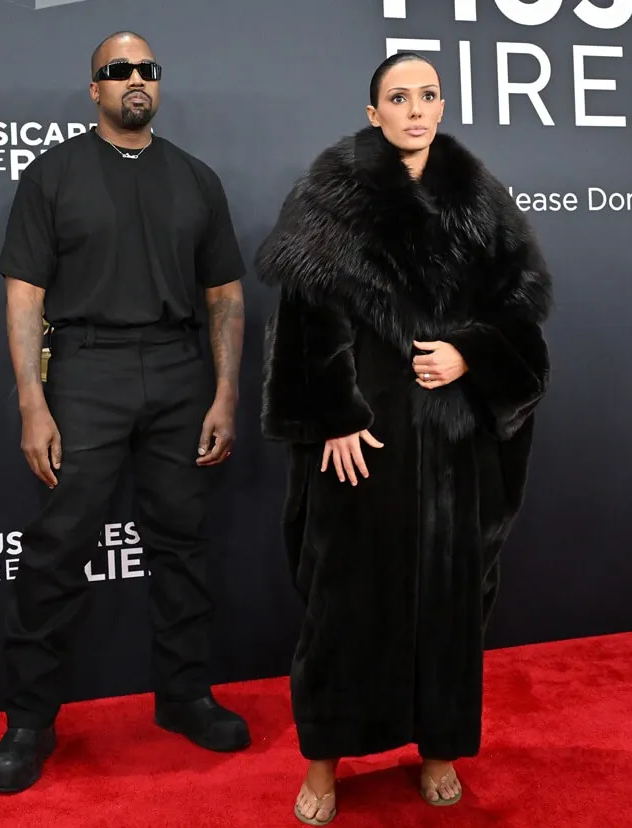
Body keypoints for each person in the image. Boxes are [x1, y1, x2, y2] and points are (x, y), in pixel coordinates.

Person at [256, 52, 554, 824]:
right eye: (398, 97)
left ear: (442, 105)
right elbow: (304, 317)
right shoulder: (331, 194)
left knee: (450, 602)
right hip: (366, 437)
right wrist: (334, 415)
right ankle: (324, 763)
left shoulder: (481, 197)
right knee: (342, 603)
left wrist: (470, 354)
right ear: (373, 112)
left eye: (428, 95)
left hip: (455, 445)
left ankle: (440, 749)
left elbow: (521, 312)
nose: (415, 109)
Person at [0, 31, 250, 794]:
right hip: (85, 370)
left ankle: (186, 697)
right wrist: (32, 402)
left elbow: (225, 296)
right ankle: (29, 721)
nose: (136, 78)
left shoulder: (196, 179)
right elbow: (24, 296)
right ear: (95, 88)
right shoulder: (53, 173)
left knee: (182, 543)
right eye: (118, 69)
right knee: (57, 547)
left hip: (178, 369)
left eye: (147, 69)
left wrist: (225, 392)